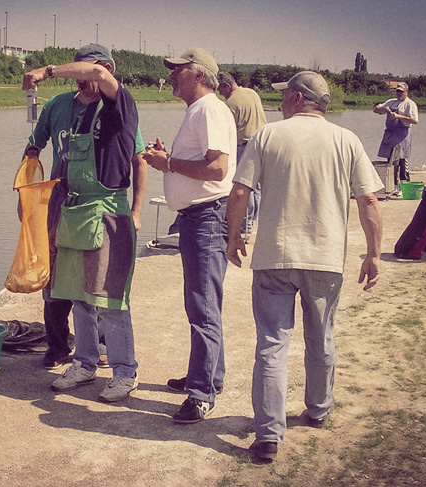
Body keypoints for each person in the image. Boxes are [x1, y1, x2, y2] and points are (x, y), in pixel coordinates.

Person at [225, 71, 383, 463]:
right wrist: (373, 253)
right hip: (325, 259)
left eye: (284, 96)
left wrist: (234, 236)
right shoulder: (346, 140)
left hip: (274, 256)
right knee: (322, 338)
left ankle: (268, 436)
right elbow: (369, 202)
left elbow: (240, 190)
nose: (279, 102)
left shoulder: (268, 136)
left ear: (297, 98)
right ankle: (318, 409)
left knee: (272, 345)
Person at [22, 44, 143, 402]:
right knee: (79, 297)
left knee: (111, 301)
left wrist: (50, 70)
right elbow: (62, 166)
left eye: (82, 72)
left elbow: (101, 76)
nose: (78, 80)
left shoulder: (120, 106)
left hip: (107, 213)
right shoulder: (75, 114)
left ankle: (125, 371)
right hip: (74, 211)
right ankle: (86, 363)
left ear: (103, 69)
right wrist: (39, 207)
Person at [144, 48, 236, 423]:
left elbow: (216, 169)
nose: (170, 76)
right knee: (203, 303)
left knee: (201, 306)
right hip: (200, 217)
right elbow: (201, 165)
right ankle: (209, 376)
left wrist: (167, 164)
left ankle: (201, 394)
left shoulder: (209, 110)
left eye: (177, 71)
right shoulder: (201, 110)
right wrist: (170, 162)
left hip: (207, 218)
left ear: (198, 75)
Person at [217, 71, 267, 233]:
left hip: (244, 145)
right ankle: (252, 220)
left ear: (227, 85)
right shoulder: (252, 92)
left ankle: (246, 222)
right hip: (262, 142)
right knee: (257, 186)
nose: (220, 93)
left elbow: (227, 131)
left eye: (221, 89)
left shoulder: (230, 104)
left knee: (245, 185)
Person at [374, 82, 418, 188]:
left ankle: (404, 185)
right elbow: (376, 110)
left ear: (407, 92)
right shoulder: (391, 102)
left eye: (401, 92)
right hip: (390, 134)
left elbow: (415, 120)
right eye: (397, 91)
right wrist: (383, 109)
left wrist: (398, 116)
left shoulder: (410, 104)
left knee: (402, 161)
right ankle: (392, 185)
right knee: (390, 160)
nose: (399, 93)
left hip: (402, 134)